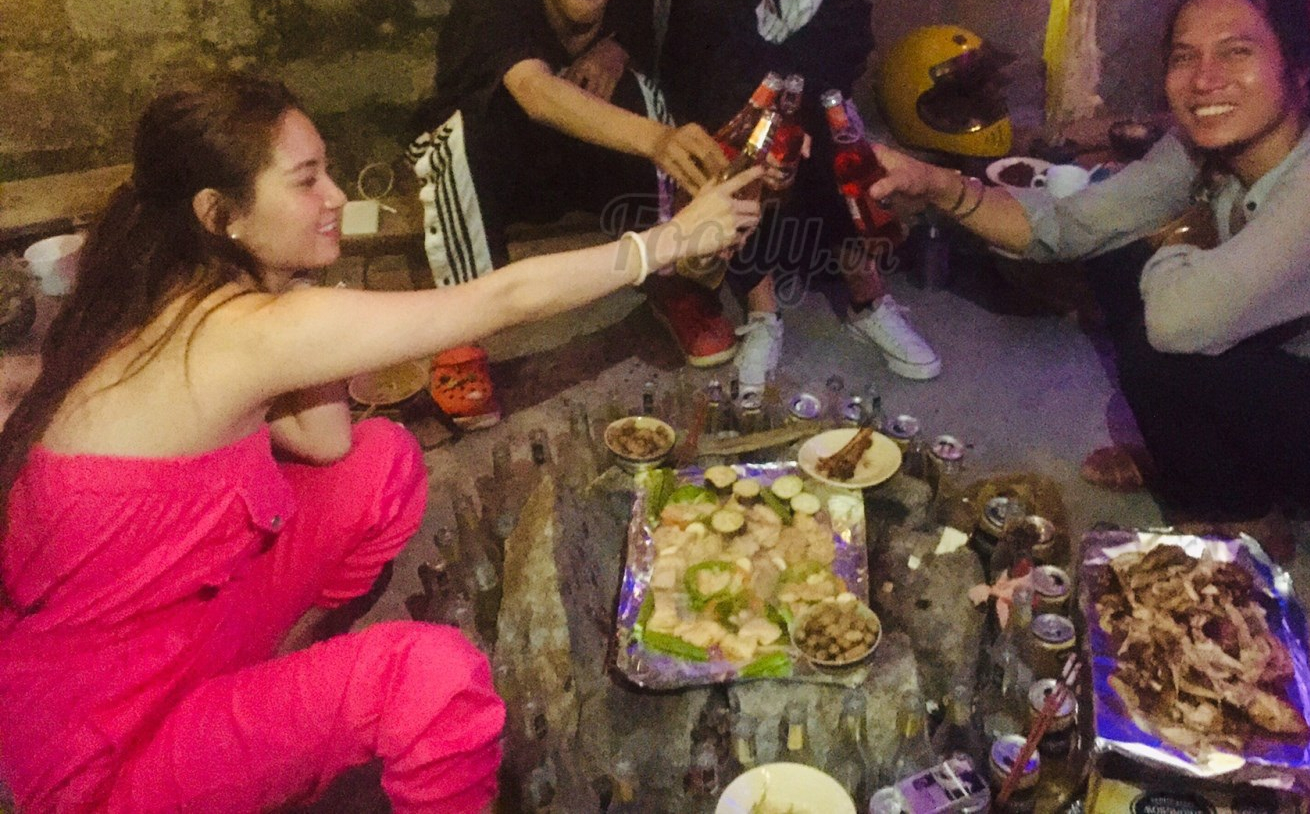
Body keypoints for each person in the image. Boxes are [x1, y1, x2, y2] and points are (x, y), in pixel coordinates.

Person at [0, 75, 760, 814]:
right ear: (219, 213)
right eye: (306, 181)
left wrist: (299, 290)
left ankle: (286, 684)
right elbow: (502, 299)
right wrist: (670, 240)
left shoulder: (178, 286)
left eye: (327, 171)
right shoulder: (244, 332)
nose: (336, 197)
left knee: (380, 460)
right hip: (105, 748)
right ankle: (278, 723)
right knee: (431, 681)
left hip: (178, 627)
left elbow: (327, 442)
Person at [871, 0, 1310, 535]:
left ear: (1298, 69)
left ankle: (1243, 519)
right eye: (1184, 57)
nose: (1204, 80)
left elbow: (1175, 323)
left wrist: (1174, 240)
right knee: (1119, 262)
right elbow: (1063, 228)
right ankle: (1200, 464)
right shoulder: (1209, 143)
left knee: (1164, 340)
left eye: (1236, 52)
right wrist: (935, 183)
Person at [411, 0, 738, 367]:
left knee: (648, 96)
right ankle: (460, 334)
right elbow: (536, 93)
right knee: (451, 143)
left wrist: (616, 50)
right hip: (501, 168)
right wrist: (657, 140)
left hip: (582, 162)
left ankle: (671, 280)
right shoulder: (494, 2)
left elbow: (634, 27)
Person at [659, 0, 940, 390]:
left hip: (796, 99)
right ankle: (762, 310)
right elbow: (707, 66)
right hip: (716, 108)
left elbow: (844, 46)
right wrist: (779, 120)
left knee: (838, 135)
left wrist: (803, 110)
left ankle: (867, 300)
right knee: (759, 151)